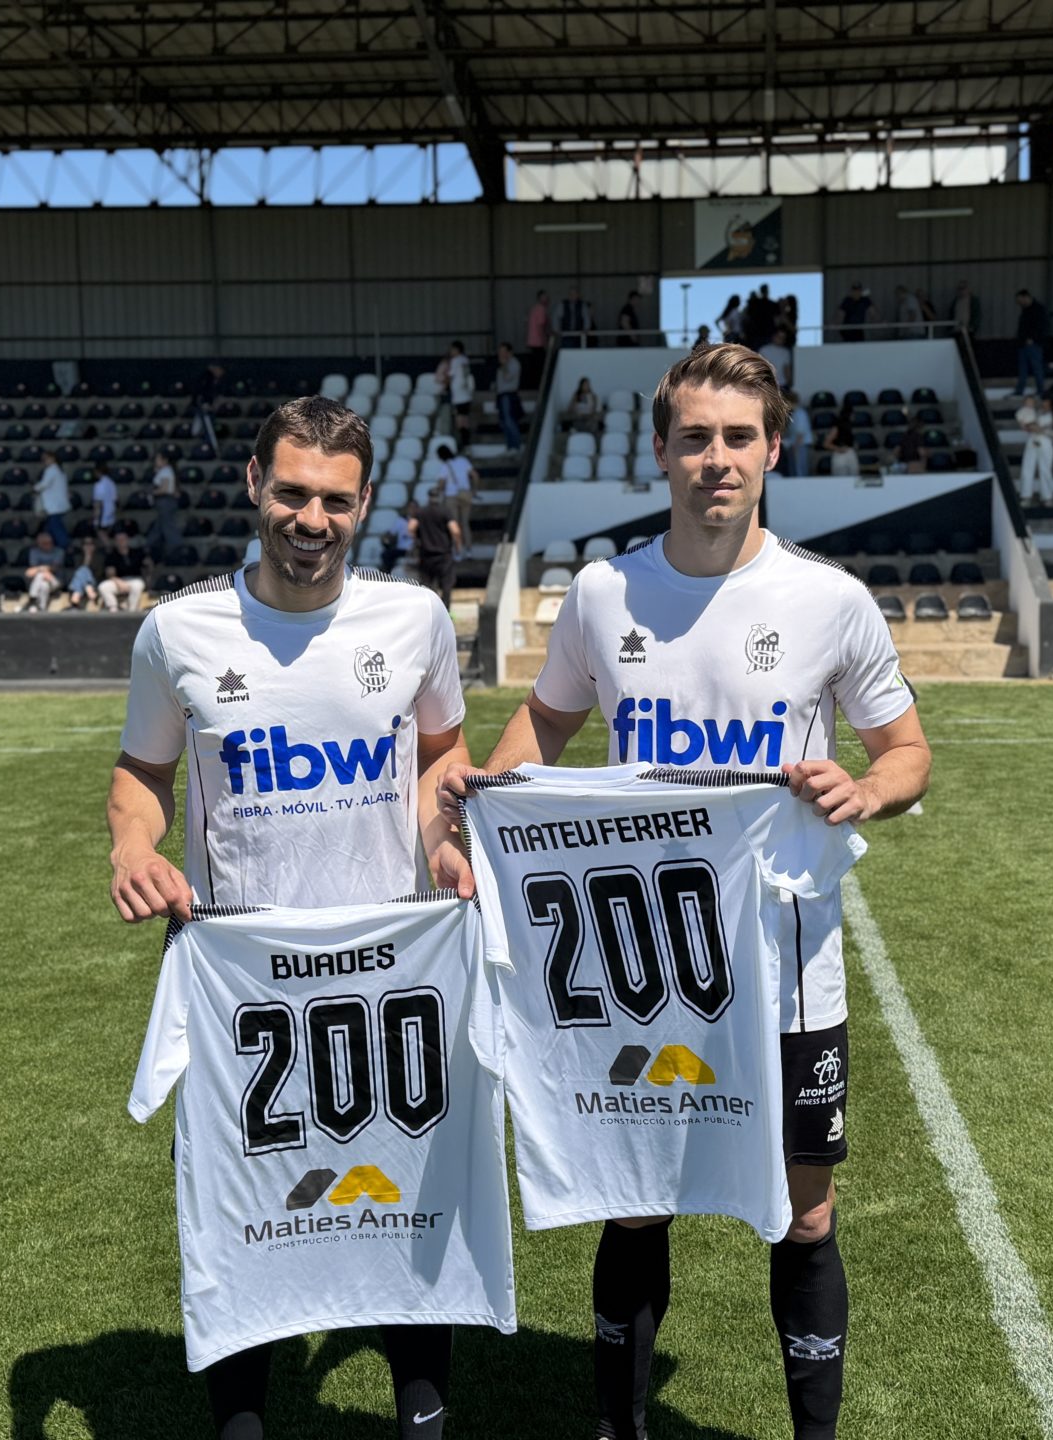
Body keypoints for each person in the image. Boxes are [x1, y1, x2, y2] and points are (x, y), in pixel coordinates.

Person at [438, 342, 931, 1440]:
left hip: (786, 966)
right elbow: (546, 723)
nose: (718, 459)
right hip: (639, 969)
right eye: (696, 438)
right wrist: (486, 806)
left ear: (773, 450)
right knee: (635, 1203)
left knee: (805, 1217)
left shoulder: (830, 601)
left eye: (739, 438)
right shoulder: (604, 592)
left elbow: (908, 752)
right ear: (660, 451)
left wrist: (866, 788)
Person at [108, 393, 473, 1440]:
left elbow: (442, 751)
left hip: (391, 972)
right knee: (244, 1216)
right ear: (255, 485)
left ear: (365, 504)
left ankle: (422, 1418)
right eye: (293, 494)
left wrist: (442, 837)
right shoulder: (177, 631)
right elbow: (141, 774)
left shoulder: (413, 620)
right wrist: (135, 848)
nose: (312, 520)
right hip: (243, 982)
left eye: (336, 502)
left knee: (408, 1200)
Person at [408, 484, 462, 608]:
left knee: (427, 586)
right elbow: (455, 531)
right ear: (439, 497)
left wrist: (417, 540)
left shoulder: (420, 512)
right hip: (444, 555)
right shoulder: (445, 511)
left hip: (426, 554)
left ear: (428, 497)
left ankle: (430, 610)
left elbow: (411, 527)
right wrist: (458, 546)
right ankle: (445, 610)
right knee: (446, 585)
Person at [1015, 397, 1053, 502]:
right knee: (1027, 468)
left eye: (1047, 402)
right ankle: (1026, 496)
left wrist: (1042, 430)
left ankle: (1047, 496)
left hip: (1046, 441)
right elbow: (1026, 423)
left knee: (1045, 469)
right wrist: (1027, 426)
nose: (1045, 403)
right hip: (1032, 440)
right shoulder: (1035, 412)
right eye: (1044, 401)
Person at [434, 442, 475, 543]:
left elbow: (442, 484)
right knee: (465, 523)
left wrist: (437, 490)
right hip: (465, 494)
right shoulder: (463, 461)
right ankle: (468, 547)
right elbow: (475, 475)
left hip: (451, 497)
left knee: (454, 524)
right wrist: (474, 491)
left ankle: (457, 548)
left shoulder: (445, 466)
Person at [100, 530, 148, 613]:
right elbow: (110, 574)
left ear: (128, 540)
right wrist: (120, 583)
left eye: (123, 539)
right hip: (118, 581)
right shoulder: (112, 555)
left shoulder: (137, 553)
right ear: (115, 542)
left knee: (137, 585)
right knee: (103, 586)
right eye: (118, 540)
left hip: (135, 580)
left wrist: (149, 575)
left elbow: (147, 566)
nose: (121, 541)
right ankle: (113, 608)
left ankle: (132, 610)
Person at [35, 450, 72, 551]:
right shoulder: (60, 471)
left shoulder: (51, 470)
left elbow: (44, 484)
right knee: (48, 528)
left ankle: (65, 546)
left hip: (54, 505)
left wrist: (35, 488)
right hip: (58, 504)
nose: (44, 461)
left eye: (46, 459)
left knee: (55, 526)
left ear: (52, 459)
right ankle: (48, 546)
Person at [1013, 289, 1048, 396]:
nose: (1019, 303)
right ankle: (1020, 390)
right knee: (1022, 369)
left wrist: (1033, 339)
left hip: (1033, 343)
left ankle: (1040, 390)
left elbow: (1041, 326)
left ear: (1026, 297)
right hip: (1023, 343)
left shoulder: (1038, 309)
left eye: (1020, 301)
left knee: (1036, 367)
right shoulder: (1025, 310)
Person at [148, 450, 182, 561]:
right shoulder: (165, 471)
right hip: (165, 502)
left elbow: (165, 488)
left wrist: (152, 492)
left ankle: (177, 549)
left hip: (165, 501)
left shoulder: (166, 471)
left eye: (158, 459)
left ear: (165, 460)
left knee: (168, 527)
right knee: (159, 526)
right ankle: (149, 546)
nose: (156, 461)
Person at [21, 530, 64, 612]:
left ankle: (32, 598)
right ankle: (42, 608)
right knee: (44, 584)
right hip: (41, 582)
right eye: (43, 543)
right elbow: (30, 572)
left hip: (55, 581)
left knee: (40, 575)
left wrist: (41, 570)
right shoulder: (34, 552)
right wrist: (42, 570)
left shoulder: (59, 551)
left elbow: (55, 568)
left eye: (48, 543)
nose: (47, 545)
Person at [445, 342, 475, 447]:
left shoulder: (456, 360)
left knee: (460, 420)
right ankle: (466, 442)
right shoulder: (465, 360)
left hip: (459, 396)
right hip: (466, 394)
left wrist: (446, 384)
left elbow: (450, 375)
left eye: (452, 349)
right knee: (465, 419)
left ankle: (463, 442)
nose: (451, 352)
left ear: (457, 350)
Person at [494, 343, 524, 452]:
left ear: (509, 352)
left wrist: (504, 364)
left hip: (509, 395)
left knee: (509, 420)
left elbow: (507, 377)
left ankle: (516, 446)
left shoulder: (513, 363)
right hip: (501, 395)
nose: (501, 354)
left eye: (503, 351)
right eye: (500, 351)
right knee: (503, 422)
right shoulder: (502, 365)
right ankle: (510, 446)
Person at [191, 363, 226, 448]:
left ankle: (209, 444)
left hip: (209, 408)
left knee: (206, 428)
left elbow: (217, 395)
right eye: (219, 370)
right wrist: (203, 404)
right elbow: (198, 394)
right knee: (198, 430)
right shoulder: (206, 379)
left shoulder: (216, 381)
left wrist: (214, 405)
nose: (221, 373)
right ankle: (209, 444)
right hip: (202, 408)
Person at [780, 388, 813, 477]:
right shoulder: (793, 414)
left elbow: (800, 434)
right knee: (793, 470)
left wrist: (796, 447)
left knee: (800, 470)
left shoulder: (800, 414)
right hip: (793, 445)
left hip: (800, 445)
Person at [822, 405, 861, 477]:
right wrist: (838, 448)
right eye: (852, 414)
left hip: (850, 453)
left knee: (854, 478)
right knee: (841, 479)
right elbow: (826, 444)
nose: (854, 416)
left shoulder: (850, 427)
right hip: (840, 456)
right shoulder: (837, 427)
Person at [66, 537, 102, 610]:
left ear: (94, 546)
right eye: (86, 544)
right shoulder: (78, 557)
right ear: (82, 546)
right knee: (82, 570)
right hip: (81, 583)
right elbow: (77, 573)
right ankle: (89, 590)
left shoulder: (99, 557)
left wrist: (89, 557)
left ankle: (75, 597)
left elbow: (99, 573)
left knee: (83, 569)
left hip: (95, 581)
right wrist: (87, 557)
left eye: (90, 544)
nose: (88, 546)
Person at [526, 289, 552, 383]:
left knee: (535, 363)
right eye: (544, 297)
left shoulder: (534, 308)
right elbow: (540, 326)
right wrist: (544, 340)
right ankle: (539, 383)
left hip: (532, 341)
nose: (546, 299)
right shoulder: (541, 309)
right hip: (538, 342)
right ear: (540, 298)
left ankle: (535, 382)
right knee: (540, 364)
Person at [91, 466, 119, 533]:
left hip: (102, 512)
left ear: (98, 472)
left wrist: (95, 517)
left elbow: (98, 503)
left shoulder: (99, 485)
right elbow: (116, 499)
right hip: (111, 511)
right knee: (107, 532)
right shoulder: (111, 483)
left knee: (101, 532)